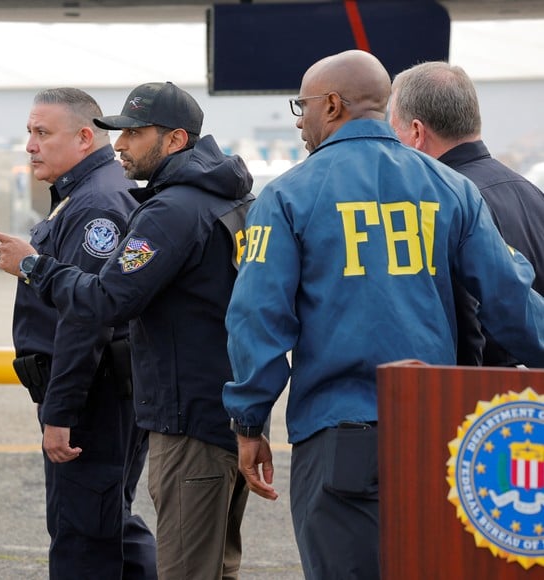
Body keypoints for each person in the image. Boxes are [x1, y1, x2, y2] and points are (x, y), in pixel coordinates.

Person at [222, 49, 544, 579]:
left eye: (301, 108)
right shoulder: (451, 189)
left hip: (337, 437)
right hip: (432, 435)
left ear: (331, 105)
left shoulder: (286, 196)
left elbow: (257, 317)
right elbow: (509, 302)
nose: (300, 123)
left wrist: (249, 420)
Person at [0, 81, 254, 579]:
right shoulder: (213, 199)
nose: (121, 144)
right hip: (213, 408)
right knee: (184, 556)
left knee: (109, 545)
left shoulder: (162, 210)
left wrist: (35, 267)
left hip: (181, 413)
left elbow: (102, 306)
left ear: (175, 140)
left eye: (135, 134)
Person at [11, 87, 156, 579]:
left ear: (84, 137)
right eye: (30, 132)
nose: (30, 145)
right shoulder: (80, 195)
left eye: (42, 133)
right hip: (95, 396)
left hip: (92, 401)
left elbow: (87, 319)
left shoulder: (96, 206)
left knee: (83, 541)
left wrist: (60, 412)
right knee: (109, 525)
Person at [390, 61, 544, 366]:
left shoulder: (440, 207)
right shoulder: (530, 192)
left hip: (478, 400)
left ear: (417, 132)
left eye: (393, 130)